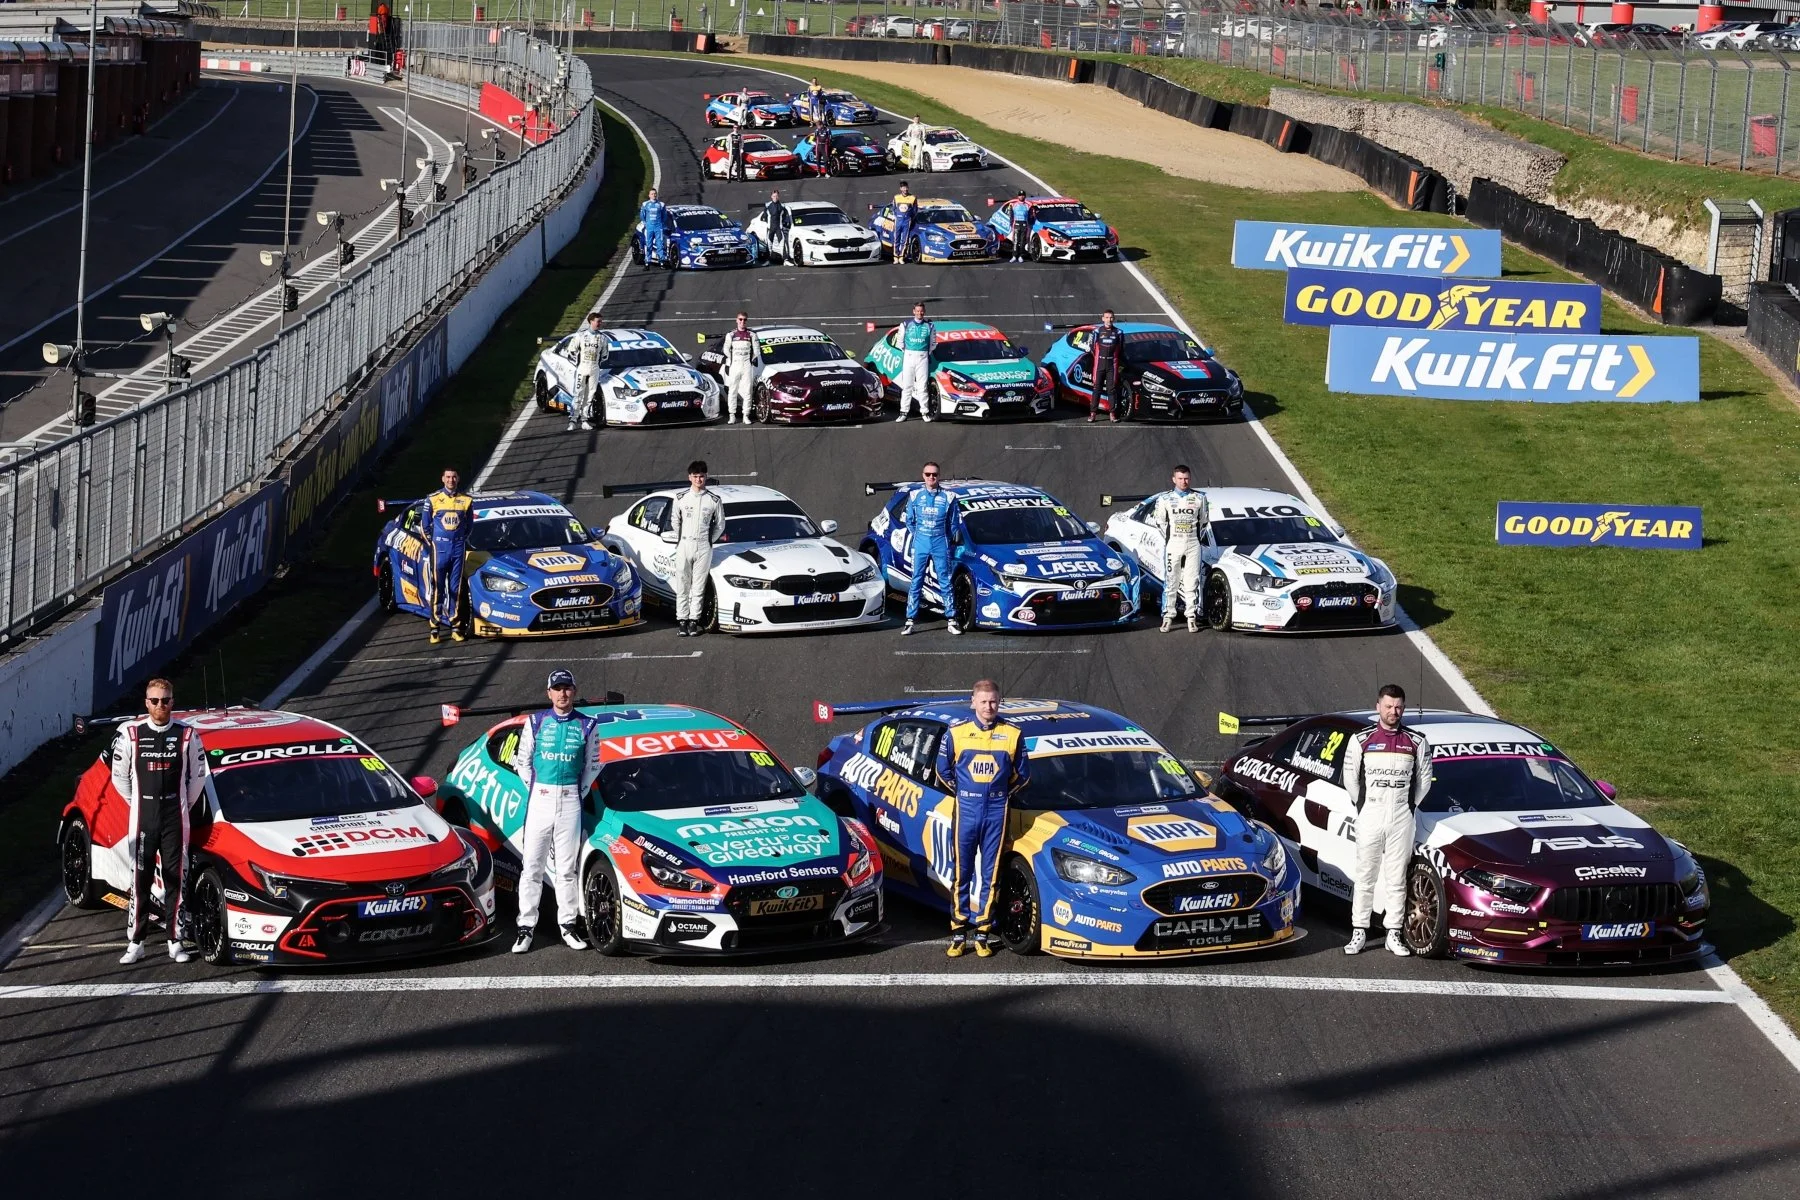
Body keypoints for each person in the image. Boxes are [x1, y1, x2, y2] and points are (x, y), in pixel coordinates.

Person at [111, 678, 208, 965]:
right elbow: (119, 778)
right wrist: (138, 803)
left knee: (174, 879)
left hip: (175, 819)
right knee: (139, 880)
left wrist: (181, 806)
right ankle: (136, 942)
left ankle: (174, 941)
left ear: (172, 702)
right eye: (155, 700)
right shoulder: (132, 734)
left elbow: (197, 778)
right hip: (142, 819)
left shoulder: (188, 735)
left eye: (165, 700)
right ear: (146, 703)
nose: (160, 706)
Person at [934, 679, 1029, 957]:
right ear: (973, 702)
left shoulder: (1013, 733)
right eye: (984, 701)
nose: (989, 706)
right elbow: (942, 770)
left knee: (991, 875)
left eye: (994, 701)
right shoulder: (956, 733)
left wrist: (1001, 795)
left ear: (999, 702)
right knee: (962, 873)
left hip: (997, 813)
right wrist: (964, 794)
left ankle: (983, 932)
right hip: (966, 812)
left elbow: (1023, 774)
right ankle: (958, 931)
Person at [510, 669, 601, 954]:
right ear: (548, 692)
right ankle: (525, 928)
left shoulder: (588, 725)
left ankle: (568, 926)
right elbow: (522, 762)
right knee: (532, 868)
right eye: (557, 688)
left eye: (568, 688)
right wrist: (536, 789)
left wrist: (577, 793)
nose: (563, 693)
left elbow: (593, 766)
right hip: (540, 800)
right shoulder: (535, 722)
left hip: (570, 802)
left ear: (574, 691)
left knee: (566, 870)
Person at [1342, 684, 1433, 957]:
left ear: (1403, 708)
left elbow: (1425, 781)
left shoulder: (1417, 741)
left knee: (1396, 880)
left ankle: (1393, 934)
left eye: (1398, 707)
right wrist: (1363, 806)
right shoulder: (1361, 740)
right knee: (1365, 877)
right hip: (1371, 813)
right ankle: (1359, 931)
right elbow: (1349, 778)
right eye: (1389, 706)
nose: (1394, 712)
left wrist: (1409, 805)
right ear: (1378, 706)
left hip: (1402, 816)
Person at [900, 461, 958, 636]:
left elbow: (954, 523)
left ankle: (952, 620)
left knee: (945, 581)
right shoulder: (915, 495)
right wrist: (919, 535)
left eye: (935, 474)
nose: (931, 477)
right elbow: (909, 520)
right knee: (916, 580)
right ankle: (910, 621)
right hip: (921, 543)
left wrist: (946, 538)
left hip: (941, 543)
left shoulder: (949, 497)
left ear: (939, 476)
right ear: (923, 475)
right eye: (928, 474)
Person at [1149, 464, 1207, 632]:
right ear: (1174, 479)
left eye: (1186, 478)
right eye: (1180, 479)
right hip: (1173, 543)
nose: (1184, 482)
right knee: (1171, 581)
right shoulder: (1164, 499)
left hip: (1193, 544)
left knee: (1192, 581)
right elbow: (1160, 522)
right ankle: (1168, 617)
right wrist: (1169, 539)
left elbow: (1204, 522)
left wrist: (1195, 538)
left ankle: (1191, 617)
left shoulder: (1199, 498)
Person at [670, 460, 724, 636]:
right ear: (689, 477)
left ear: (706, 477)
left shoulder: (714, 500)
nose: (698, 480)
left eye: (701, 476)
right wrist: (681, 539)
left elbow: (720, 525)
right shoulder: (680, 498)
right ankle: (682, 621)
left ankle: (694, 621)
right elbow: (675, 521)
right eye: (695, 476)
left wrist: (708, 541)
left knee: (699, 585)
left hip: (703, 546)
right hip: (684, 544)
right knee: (683, 584)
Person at [425, 468, 473, 643]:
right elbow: (425, 526)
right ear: (442, 478)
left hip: (458, 549)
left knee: (456, 589)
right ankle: (434, 627)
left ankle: (455, 626)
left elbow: (469, 526)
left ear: (458, 478)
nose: (451, 480)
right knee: (438, 588)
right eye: (448, 477)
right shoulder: (432, 499)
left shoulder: (466, 500)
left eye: (454, 477)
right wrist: (435, 542)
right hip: (439, 549)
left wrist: (459, 541)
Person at [894, 301, 935, 422]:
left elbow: (933, 343)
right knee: (907, 386)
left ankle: (925, 412)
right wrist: (907, 353)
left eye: (921, 311)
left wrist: (925, 354)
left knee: (922, 387)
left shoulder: (930, 326)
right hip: (908, 357)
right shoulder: (905, 324)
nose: (919, 313)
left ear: (924, 312)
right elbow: (899, 342)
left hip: (923, 358)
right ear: (914, 311)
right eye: (917, 311)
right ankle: (903, 412)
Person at [570, 311, 607, 432]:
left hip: (595, 369)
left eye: (601, 321)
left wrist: (598, 364)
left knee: (590, 395)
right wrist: (577, 364)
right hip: (582, 368)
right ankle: (573, 421)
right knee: (578, 394)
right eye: (598, 321)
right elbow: (571, 350)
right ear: (591, 321)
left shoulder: (602, 338)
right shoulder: (580, 336)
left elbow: (605, 355)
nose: (600, 323)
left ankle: (584, 420)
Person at [720, 311, 759, 424]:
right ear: (736, 320)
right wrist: (730, 358)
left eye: (745, 320)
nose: (742, 322)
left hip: (746, 365)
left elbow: (757, 351)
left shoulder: (752, 335)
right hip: (734, 364)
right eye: (740, 319)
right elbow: (725, 349)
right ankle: (732, 415)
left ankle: (745, 415)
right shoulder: (731, 335)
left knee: (747, 391)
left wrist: (752, 360)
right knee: (732, 390)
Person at [1088, 309, 1125, 424]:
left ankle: (1112, 414)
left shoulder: (1119, 332)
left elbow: (1121, 349)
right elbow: (1092, 348)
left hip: (1111, 366)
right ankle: (1093, 414)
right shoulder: (1097, 332)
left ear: (1113, 319)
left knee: (1111, 390)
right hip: (1099, 364)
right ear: (1103, 318)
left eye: (1111, 318)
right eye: (1107, 317)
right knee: (1096, 389)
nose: (1109, 320)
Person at [638, 187, 669, 266]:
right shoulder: (645, 204)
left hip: (658, 227)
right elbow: (642, 215)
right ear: (649, 195)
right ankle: (647, 262)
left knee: (660, 244)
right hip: (649, 227)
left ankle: (661, 261)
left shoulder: (661, 204)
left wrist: (661, 224)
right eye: (652, 194)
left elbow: (664, 216)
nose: (654, 195)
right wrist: (645, 223)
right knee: (648, 244)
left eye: (655, 194)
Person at [890, 182, 917, 266]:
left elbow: (915, 210)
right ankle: (895, 257)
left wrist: (910, 218)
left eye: (906, 187)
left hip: (906, 221)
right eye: (903, 188)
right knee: (896, 239)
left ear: (908, 188)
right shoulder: (896, 197)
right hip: (898, 221)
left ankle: (901, 257)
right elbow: (893, 208)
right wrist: (895, 216)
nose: (905, 189)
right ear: (900, 189)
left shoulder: (913, 198)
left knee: (904, 240)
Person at [1006, 190, 1032, 262]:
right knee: (1016, 241)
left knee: (1022, 241)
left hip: (1024, 225)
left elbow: (1030, 218)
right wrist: (1011, 225)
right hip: (1016, 224)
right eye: (1020, 195)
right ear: (1018, 196)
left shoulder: (1028, 205)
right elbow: (1011, 216)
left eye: (1023, 195)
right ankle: (1014, 256)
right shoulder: (1014, 205)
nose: (1021, 196)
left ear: (1025, 196)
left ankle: (1021, 256)